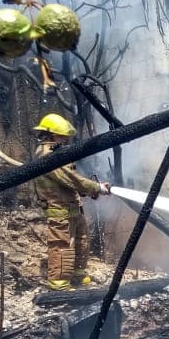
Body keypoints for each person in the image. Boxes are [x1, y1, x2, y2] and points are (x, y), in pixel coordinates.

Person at [32, 113, 111, 290]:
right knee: (62, 246)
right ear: (51, 134)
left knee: (81, 242)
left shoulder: (55, 151)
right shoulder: (47, 154)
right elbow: (70, 178)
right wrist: (95, 187)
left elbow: (69, 182)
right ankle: (58, 282)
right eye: (63, 136)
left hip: (72, 207)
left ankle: (77, 273)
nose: (66, 139)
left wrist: (88, 190)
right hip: (59, 209)